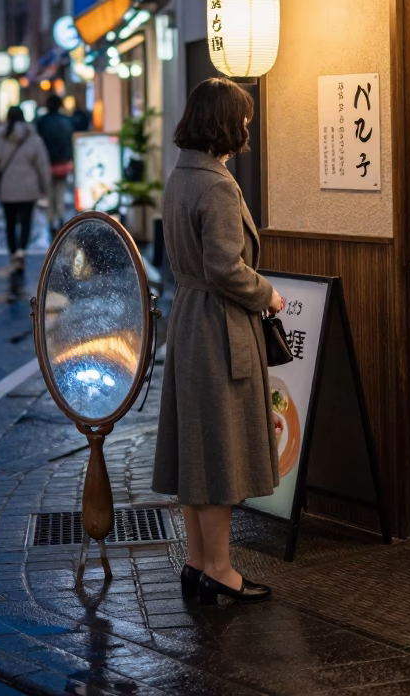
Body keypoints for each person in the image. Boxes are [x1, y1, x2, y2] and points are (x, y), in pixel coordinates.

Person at [152, 79, 285, 607]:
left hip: (189, 319)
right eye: (243, 119)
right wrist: (268, 295)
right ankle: (222, 570)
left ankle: (197, 561)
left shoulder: (180, 174)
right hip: (218, 327)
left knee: (196, 449)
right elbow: (226, 268)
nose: (247, 128)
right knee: (222, 451)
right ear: (225, 123)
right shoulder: (216, 184)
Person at [0, 105, 50, 272]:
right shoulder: (33, 137)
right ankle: (22, 250)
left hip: (6, 186)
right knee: (27, 220)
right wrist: (45, 186)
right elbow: (42, 164)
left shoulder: (0, 136)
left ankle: (13, 253)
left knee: (10, 221)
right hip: (28, 186)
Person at [36, 95, 74, 234]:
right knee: (60, 192)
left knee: (49, 194)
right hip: (63, 163)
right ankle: (61, 219)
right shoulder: (66, 121)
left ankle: (51, 221)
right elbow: (70, 142)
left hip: (46, 163)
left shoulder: (41, 122)